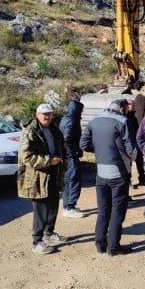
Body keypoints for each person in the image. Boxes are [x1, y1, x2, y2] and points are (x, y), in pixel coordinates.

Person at [80, 99, 134, 256]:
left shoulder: (94, 120)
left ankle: (100, 243)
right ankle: (113, 246)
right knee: (118, 210)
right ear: (122, 108)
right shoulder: (123, 121)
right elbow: (131, 149)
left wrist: (99, 152)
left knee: (103, 209)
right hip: (118, 172)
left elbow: (83, 145)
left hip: (101, 173)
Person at [17, 103, 67, 254]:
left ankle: (49, 233)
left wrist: (64, 163)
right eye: (44, 114)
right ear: (37, 115)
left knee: (53, 205)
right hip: (38, 176)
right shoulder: (30, 131)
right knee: (41, 208)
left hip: (54, 173)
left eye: (49, 114)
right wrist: (47, 160)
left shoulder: (54, 129)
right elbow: (26, 157)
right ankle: (36, 241)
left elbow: (62, 148)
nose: (47, 117)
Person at [59, 90, 85, 218]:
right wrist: (75, 150)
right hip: (70, 155)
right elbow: (67, 137)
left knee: (68, 180)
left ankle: (67, 205)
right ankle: (70, 206)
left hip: (66, 155)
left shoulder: (65, 118)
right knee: (73, 180)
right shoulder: (72, 121)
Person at [125, 98, 145, 189]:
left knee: (139, 161)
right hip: (128, 143)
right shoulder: (124, 117)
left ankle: (142, 178)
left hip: (136, 142)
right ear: (127, 106)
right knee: (128, 163)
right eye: (132, 105)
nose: (134, 107)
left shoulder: (133, 116)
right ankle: (128, 182)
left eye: (134, 105)